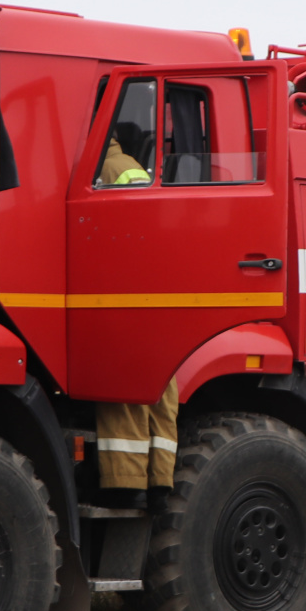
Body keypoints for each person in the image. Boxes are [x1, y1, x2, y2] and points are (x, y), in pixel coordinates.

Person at [89, 135, 173, 507]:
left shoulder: (108, 167)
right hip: (151, 293)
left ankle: (127, 482)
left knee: (126, 391)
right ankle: (159, 481)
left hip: (128, 291)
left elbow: (139, 226)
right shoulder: (126, 166)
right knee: (160, 394)